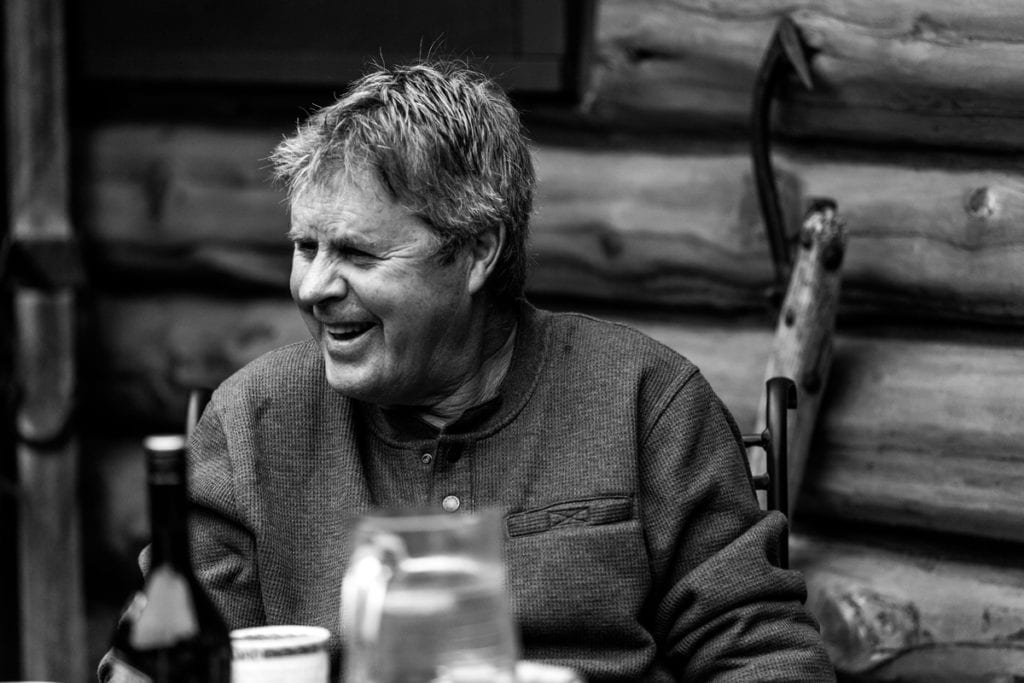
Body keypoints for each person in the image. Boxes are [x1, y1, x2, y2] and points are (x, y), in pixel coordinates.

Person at [104, 59, 835, 682]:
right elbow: (157, 656)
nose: (314, 287)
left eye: (357, 254)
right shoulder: (254, 421)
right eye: (305, 247)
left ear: (479, 250)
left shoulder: (642, 400)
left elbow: (767, 657)